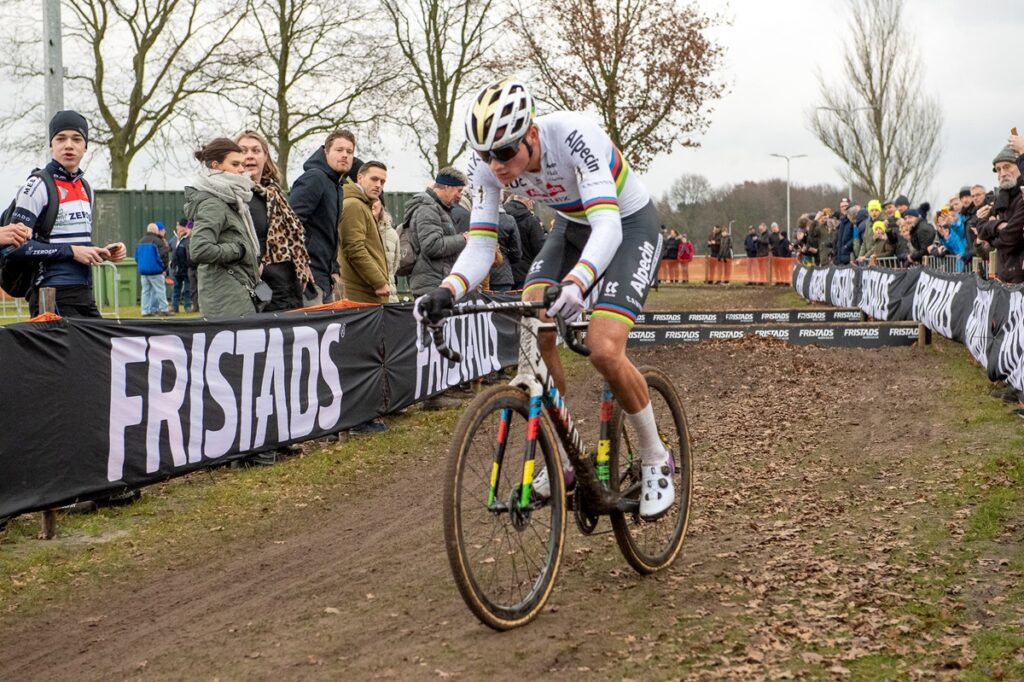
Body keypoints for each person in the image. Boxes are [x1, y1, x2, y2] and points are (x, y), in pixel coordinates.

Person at [416, 80, 674, 519]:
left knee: (604, 347)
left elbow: (608, 226)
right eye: (484, 155)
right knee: (535, 309)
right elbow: (480, 246)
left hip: (627, 225)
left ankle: (655, 456)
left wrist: (578, 282)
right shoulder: (485, 167)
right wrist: (448, 290)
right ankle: (564, 456)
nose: (494, 165)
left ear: (531, 135)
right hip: (571, 228)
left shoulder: (574, 135)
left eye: (503, 153)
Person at [3, 110, 125, 317]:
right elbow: (12, 249)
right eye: (61, 138)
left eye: (77, 139)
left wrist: (101, 252)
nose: (69, 145)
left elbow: (75, 242)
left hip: (84, 291)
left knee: (102, 348)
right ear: (51, 144)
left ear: (85, 146)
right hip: (50, 293)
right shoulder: (37, 185)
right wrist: (71, 251)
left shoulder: (87, 188)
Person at [236, 130, 312, 311]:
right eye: (243, 151)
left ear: (265, 157)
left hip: (289, 289)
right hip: (261, 294)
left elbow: (294, 237)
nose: (249, 156)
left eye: (256, 150)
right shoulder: (235, 196)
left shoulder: (275, 194)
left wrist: (302, 264)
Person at [186, 138, 260, 318]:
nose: (242, 169)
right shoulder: (214, 203)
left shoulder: (231, 199)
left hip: (235, 292)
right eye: (235, 164)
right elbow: (199, 249)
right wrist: (239, 250)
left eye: (242, 164)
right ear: (216, 165)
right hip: (225, 297)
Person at [289, 129, 355, 303]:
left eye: (349, 151)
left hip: (326, 277)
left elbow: (329, 233)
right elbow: (291, 222)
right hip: (308, 277)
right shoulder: (315, 178)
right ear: (326, 152)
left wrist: (334, 268)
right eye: (339, 150)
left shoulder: (337, 186)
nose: (345, 155)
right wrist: (300, 263)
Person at [405, 168, 469, 296]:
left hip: (436, 283)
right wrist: (463, 239)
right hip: (432, 286)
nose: (460, 196)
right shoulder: (428, 209)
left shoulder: (439, 208)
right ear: (447, 187)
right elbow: (432, 245)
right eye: (459, 191)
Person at [338, 160, 391, 304]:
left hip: (365, 292)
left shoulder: (362, 204)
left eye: (382, 181)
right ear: (360, 178)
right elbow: (354, 248)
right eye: (374, 179)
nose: (378, 185)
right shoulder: (354, 205)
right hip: (361, 294)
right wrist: (379, 282)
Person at [978, 143, 1024, 283]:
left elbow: (1012, 236)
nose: (1002, 173)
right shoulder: (1000, 198)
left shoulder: (1022, 195)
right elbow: (981, 227)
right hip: (1004, 277)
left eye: (1007, 167)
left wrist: (992, 235)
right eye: (998, 169)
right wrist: (998, 226)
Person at [503, 194, 546, 289]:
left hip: (504, 272)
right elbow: (539, 248)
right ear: (528, 201)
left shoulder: (502, 217)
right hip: (525, 272)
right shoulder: (531, 220)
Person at [135, 222, 170, 316]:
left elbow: (136, 257)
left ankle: (145, 311)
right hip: (156, 271)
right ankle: (164, 309)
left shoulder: (140, 241)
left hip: (143, 272)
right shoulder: (158, 241)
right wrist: (164, 268)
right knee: (160, 290)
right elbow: (163, 256)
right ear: (155, 230)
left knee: (145, 292)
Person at [170, 219, 193, 313]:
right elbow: (169, 248)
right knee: (176, 289)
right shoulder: (174, 239)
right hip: (176, 269)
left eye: (178, 225)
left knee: (188, 290)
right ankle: (174, 308)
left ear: (183, 227)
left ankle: (188, 306)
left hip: (187, 269)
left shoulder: (189, 239)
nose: (176, 227)